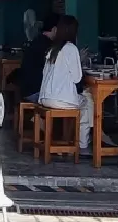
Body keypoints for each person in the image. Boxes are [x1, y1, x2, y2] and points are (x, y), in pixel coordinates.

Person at [38, 16, 94, 153]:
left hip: (44, 98)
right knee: (88, 102)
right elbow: (77, 78)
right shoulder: (71, 48)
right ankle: (83, 145)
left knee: (81, 101)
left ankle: (68, 140)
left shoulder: (53, 49)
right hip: (61, 100)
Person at [14, 12, 59, 102]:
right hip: (37, 92)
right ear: (55, 29)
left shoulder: (37, 41)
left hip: (27, 90)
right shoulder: (49, 46)